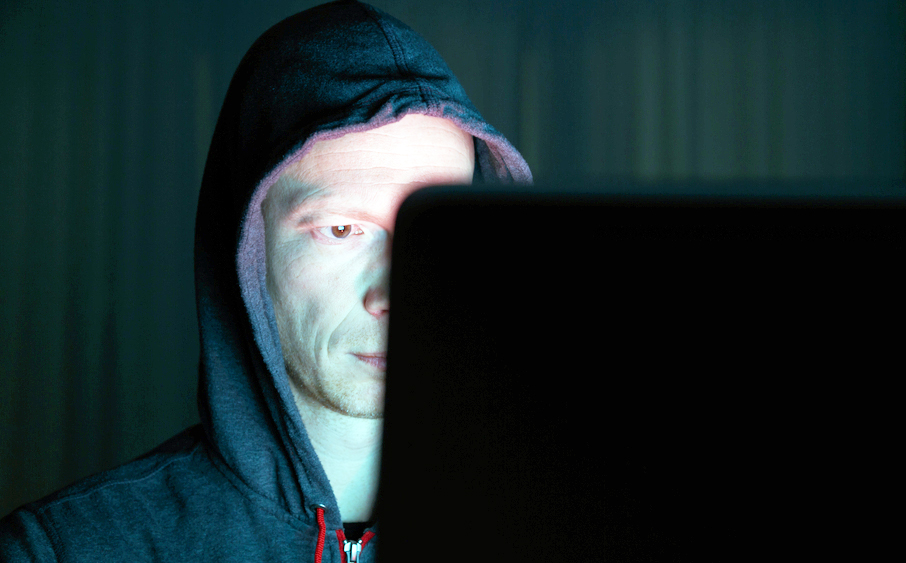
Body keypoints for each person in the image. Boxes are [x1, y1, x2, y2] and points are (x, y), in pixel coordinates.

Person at [0, 1, 532, 561]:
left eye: (431, 229)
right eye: (342, 229)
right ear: (247, 247)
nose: (393, 295)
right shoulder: (59, 550)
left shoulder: (560, 530)